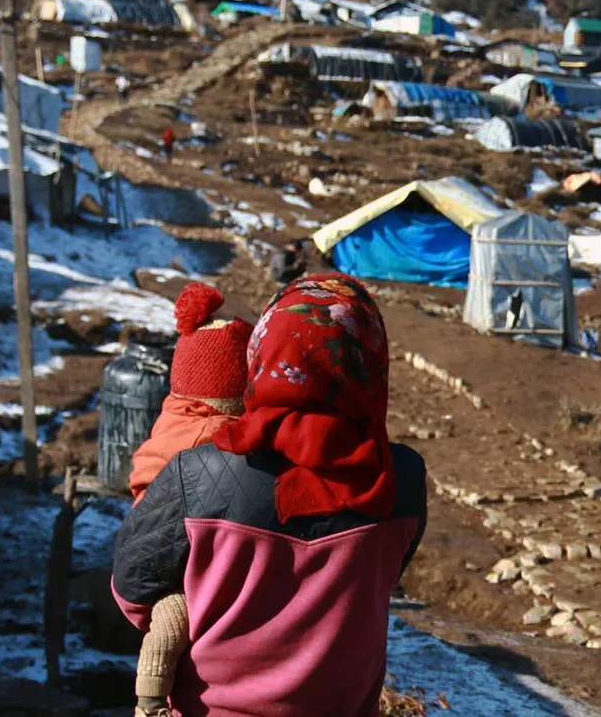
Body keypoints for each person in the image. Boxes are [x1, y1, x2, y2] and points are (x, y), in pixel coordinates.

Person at [113, 275, 427, 717]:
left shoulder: (199, 471)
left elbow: (132, 584)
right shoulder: (404, 481)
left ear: (263, 353)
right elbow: (388, 572)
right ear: (368, 359)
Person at [126, 283, 252, 717]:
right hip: (173, 546)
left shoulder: (178, 411)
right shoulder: (210, 438)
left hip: (168, 524)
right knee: (173, 618)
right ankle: (148, 702)